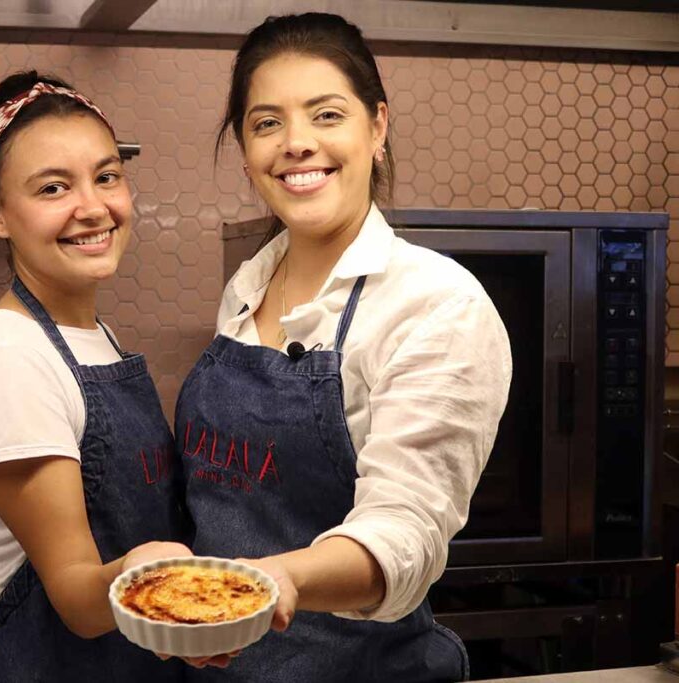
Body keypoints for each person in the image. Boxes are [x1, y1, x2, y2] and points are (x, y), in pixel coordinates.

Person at [173, 13, 512, 681]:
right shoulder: (247, 286)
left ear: (376, 127)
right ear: (245, 151)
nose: (296, 143)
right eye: (267, 123)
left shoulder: (436, 303)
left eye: (326, 115)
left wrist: (276, 581)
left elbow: (404, 534)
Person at [0, 71, 189, 683]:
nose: (93, 207)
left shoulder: (93, 338)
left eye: (107, 177)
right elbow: (80, 599)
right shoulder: (9, 356)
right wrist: (149, 572)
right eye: (53, 187)